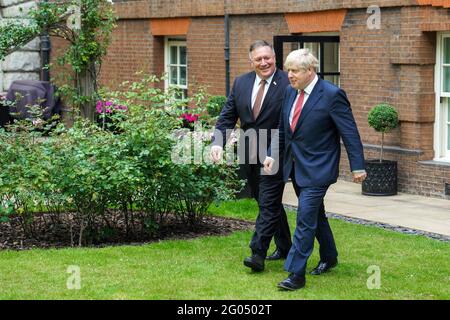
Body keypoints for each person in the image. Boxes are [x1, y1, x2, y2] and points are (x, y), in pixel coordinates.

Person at [264, 48, 367, 290]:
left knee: (305, 217)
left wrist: (358, 166)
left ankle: (296, 274)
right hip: (295, 166)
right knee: (316, 215)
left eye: (295, 71)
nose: (289, 75)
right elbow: (282, 128)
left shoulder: (332, 95)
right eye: (288, 70)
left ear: (310, 71)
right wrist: (271, 154)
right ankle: (330, 256)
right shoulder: (290, 93)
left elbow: (349, 132)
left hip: (320, 168)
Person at [210, 40, 291, 271]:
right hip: (248, 151)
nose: (264, 62)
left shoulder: (287, 82)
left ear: (274, 57)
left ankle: (257, 253)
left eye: (268, 57)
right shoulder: (241, 82)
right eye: (259, 59)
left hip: (275, 152)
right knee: (266, 201)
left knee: (267, 202)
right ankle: (285, 246)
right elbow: (227, 116)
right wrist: (218, 143)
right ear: (251, 61)